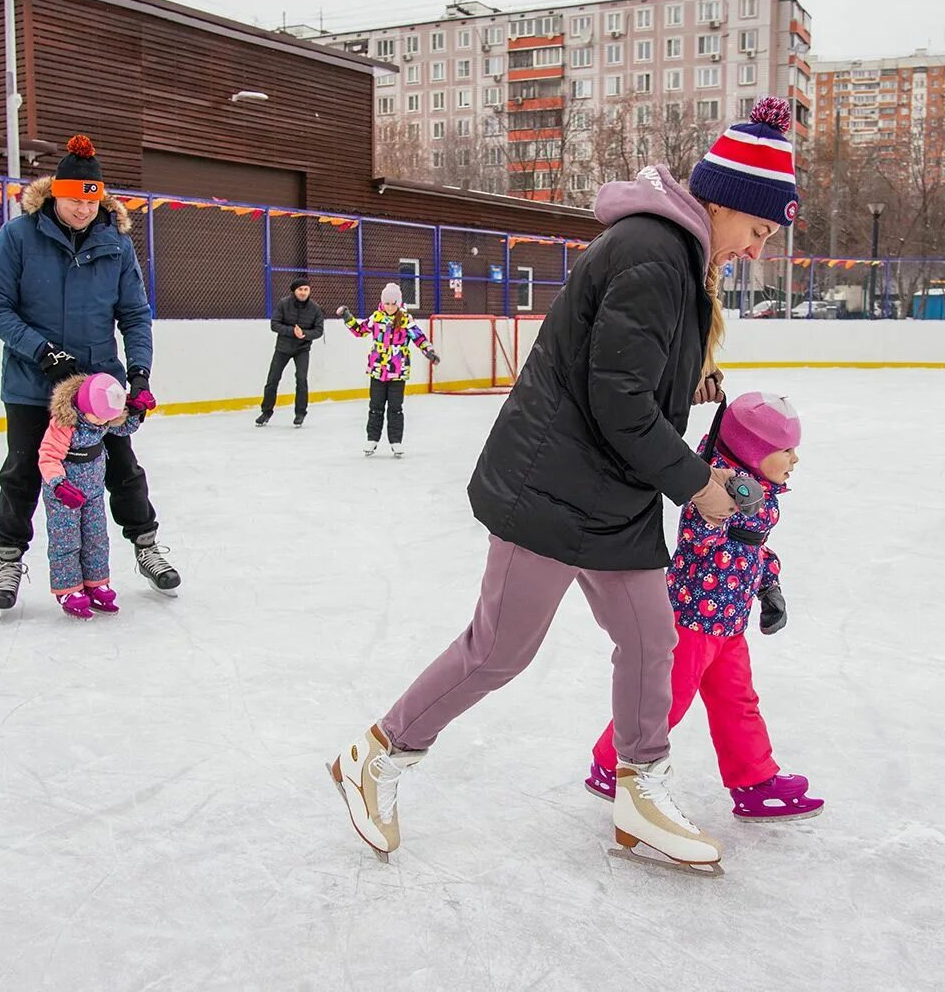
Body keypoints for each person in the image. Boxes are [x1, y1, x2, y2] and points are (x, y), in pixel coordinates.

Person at [329, 97, 801, 873]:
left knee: (654, 637)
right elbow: (616, 400)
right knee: (499, 650)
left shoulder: (677, 258)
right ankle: (374, 755)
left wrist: (688, 377)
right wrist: (698, 485)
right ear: (723, 202)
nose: (756, 249)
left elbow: (627, 373)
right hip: (549, 488)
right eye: (758, 231)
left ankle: (641, 792)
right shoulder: (655, 255)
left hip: (610, 494)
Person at [583, 391, 824, 822]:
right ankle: (609, 765)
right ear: (754, 451)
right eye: (785, 449)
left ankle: (754, 782)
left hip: (729, 624)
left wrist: (769, 587)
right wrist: (726, 506)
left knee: (738, 701)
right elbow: (697, 542)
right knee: (666, 701)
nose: (794, 459)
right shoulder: (711, 487)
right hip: (693, 620)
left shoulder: (760, 491)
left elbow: (751, 550)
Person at [0, 134, 181, 610]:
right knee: (23, 472)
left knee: (124, 470)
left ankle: (147, 548)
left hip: (99, 389)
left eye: (91, 201)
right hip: (32, 383)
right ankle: (9, 560)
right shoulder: (19, 236)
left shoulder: (116, 244)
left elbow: (134, 314)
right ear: (54, 195)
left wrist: (140, 373)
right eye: (73, 201)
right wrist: (41, 351)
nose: (83, 210)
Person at [38, 373, 144, 619]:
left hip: (93, 491)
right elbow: (48, 456)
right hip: (64, 495)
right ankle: (69, 589)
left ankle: (96, 583)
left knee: (97, 538)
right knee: (67, 541)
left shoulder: (101, 417)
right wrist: (59, 485)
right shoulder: (65, 424)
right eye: (100, 418)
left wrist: (137, 409)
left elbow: (123, 425)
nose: (103, 424)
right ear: (84, 408)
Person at [336, 283, 440, 457]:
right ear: (382, 303)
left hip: (397, 372)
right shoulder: (376, 318)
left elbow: (419, 337)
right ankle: (372, 439)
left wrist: (429, 351)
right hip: (377, 369)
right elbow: (359, 331)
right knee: (375, 407)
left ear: (398, 303)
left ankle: (396, 441)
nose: (390, 307)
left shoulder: (406, 319)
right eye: (387, 303)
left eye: (393, 303)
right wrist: (347, 316)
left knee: (395, 408)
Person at [256, 279, 325, 427]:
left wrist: (305, 334)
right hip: (283, 348)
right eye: (300, 289)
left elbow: (319, 331)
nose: (303, 292)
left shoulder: (315, 309)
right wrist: (292, 331)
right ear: (294, 291)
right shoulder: (283, 304)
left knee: (301, 379)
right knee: (272, 379)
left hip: (302, 349)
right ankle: (266, 412)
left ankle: (300, 413)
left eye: (306, 289)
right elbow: (274, 324)